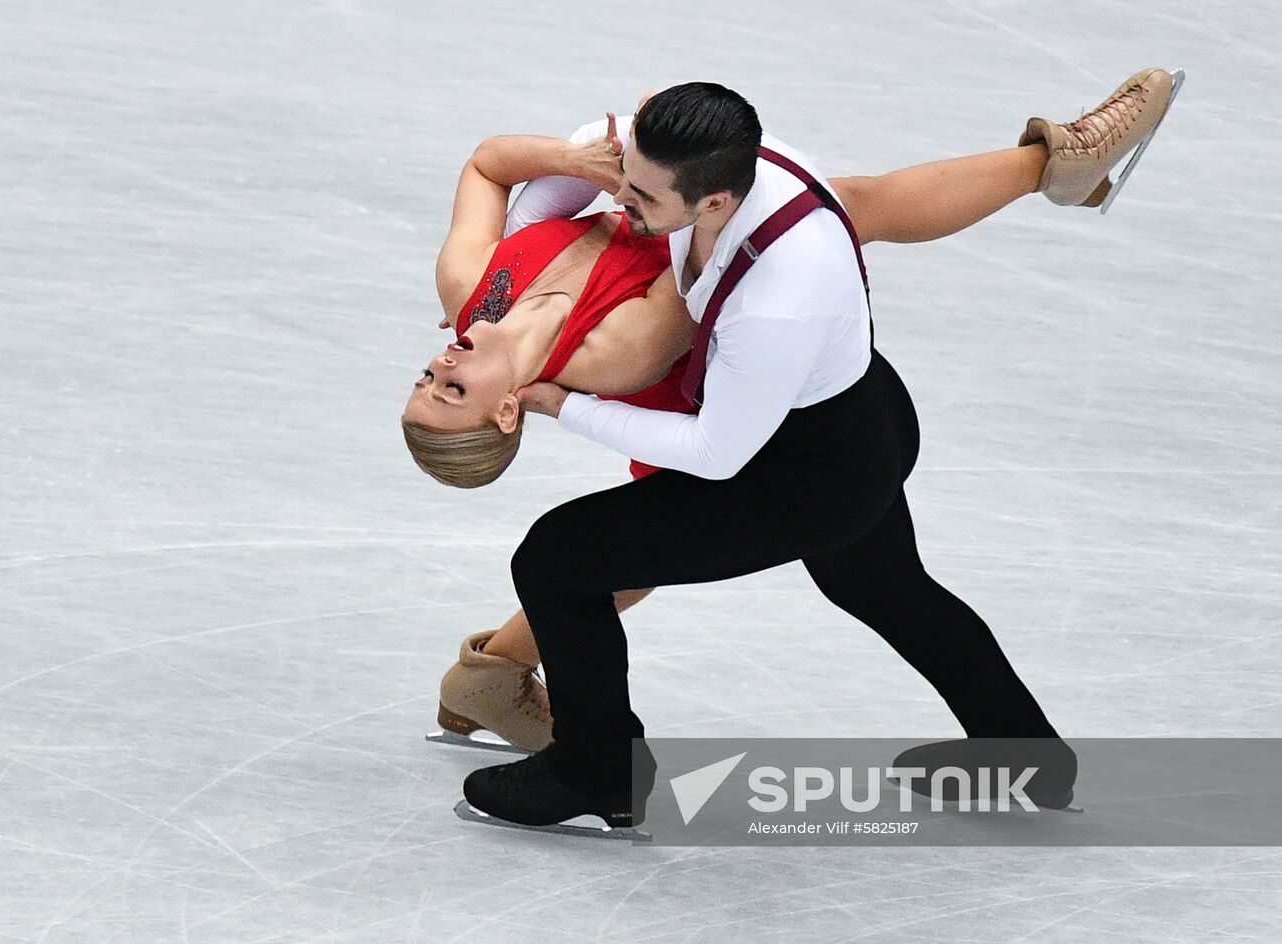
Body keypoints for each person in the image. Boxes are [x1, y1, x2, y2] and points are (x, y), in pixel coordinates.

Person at [444, 69, 1178, 831]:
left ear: (715, 201)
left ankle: (597, 772)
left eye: (643, 198)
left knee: (559, 559)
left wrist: (565, 405)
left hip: (807, 470)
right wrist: (589, 163)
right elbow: (545, 176)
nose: (622, 204)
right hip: (852, 421)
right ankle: (1027, 755)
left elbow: (716, 451)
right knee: (885, 588)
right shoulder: (693, 161)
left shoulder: (780, 294)